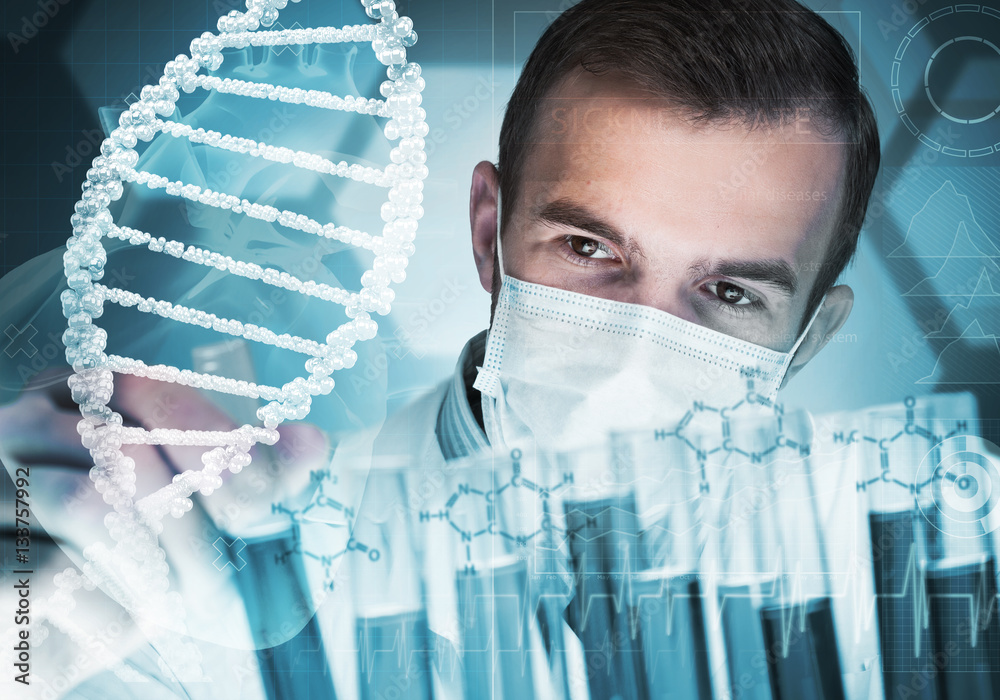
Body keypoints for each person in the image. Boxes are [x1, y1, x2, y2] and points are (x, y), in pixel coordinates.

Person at [0, 0, 880, 697]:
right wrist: (24, 639)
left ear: (808, 339)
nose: (636, 356)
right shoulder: (216, 574)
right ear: (488, 230)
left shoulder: (907, 596)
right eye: (590, 250)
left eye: (730, 294)